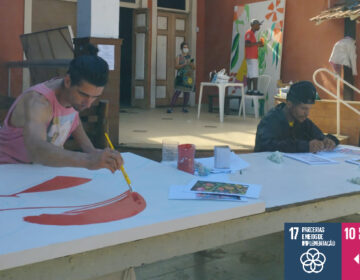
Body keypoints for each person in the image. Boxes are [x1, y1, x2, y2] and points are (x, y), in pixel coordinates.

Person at [0, 44, 124, 173]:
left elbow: (73, 120)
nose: (88, 104)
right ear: (68, 81)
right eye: (84, 95)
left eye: (95, 97)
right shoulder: (38, 102)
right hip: (9, 171)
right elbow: (36, 150)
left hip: (41, 170)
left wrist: (91, 150)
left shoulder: (72, 96)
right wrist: (88, 160)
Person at [254, 81, 339, 153]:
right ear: (289, 104)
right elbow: (266, 146)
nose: (307, 113)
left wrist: (329, 140)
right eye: (303, 108)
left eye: (309, 109)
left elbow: (320, 136)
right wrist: (305, 146)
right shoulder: (271, 120)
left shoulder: (303, 121)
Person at [167, 42, 195, 113]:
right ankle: (171, 108)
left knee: (187, 93)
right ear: (181, 48)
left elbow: (194, 68)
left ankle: (184, 108)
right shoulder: (178, 57)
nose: (186, 49)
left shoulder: (190, 57)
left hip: (188, 77)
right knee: (177, 92)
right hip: (181, 76)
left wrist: (191, 64)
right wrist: (183, 64)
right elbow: (176, 67)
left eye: (187, 47)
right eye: (184, 47)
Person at [245, 19, 264, 95]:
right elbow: (247, 44)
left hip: (250, 57)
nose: (259, 26)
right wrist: (257, 43)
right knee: (255, 74)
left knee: (250, 74)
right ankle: (255, 91)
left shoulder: (251, 33)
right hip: (252, 57)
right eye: (258, 25)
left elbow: (251, 45)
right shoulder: (249, 33)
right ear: (253, 25)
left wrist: (258, 45)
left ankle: (249, 90)